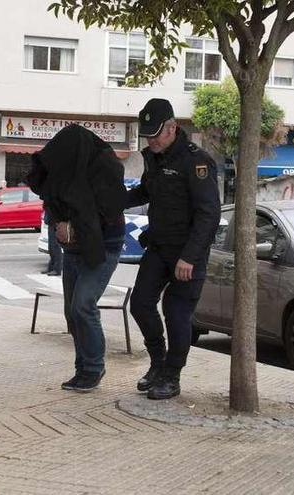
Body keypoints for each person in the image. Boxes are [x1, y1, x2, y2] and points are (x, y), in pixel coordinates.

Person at [126, 98, 220, 400]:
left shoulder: (197, 161)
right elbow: (145, 191)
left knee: (176, 314)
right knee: (140, 303)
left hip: (187, 254)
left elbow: (209, 214)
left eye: (156, 134)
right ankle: (157, 362)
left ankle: (172, 376)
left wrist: (189, 257)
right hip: (158, 247)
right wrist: (111, 198)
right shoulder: (155, 157)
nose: (151, 140)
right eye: (148, 135)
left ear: (172, 128)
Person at [26, 125, 126, 393]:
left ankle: (94, 367)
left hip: (104, 246)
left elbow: (108, 213)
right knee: (72, 311)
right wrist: (60, 223)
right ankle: (83, 369)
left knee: (83, 305)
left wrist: (75, 226)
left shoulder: (103, 169)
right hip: (72, 249)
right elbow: (51, 199)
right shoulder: (63, 172)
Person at [43, 207, 63, 276]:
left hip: (55, 221)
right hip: (51, 221)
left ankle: (57, 269)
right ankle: (51, 266)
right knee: (51, 247)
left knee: (55, 246)